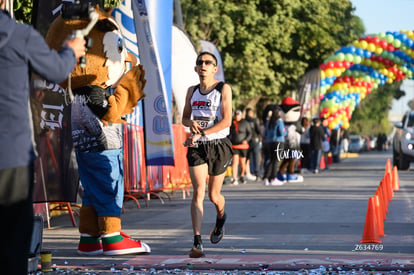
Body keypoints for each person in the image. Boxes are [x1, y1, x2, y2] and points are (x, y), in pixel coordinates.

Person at [0, 2, 86, 274]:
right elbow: (57, 70)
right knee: (13, 240)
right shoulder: (18, 34)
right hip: (10, 154)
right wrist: (71, 52)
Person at [182, 51, 233, 258]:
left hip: (218, 145)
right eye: (200, 62)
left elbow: (226, 120)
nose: (203, 65)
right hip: (197, 146)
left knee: (214, 195)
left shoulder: (223, 89)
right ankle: (197, 241)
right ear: (196, 68)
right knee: (198, 191)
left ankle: (221, 218)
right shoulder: (191, 91)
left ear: (215, 68)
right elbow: (185, 117)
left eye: (208, 62)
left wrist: (202, 131)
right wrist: (190, 123)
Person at [262, 105, 287, 186]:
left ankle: (266, 178)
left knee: (270, 160)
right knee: (276, 161)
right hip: (278, 141)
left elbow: (265, 133)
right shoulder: (279, 121)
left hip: (269, 142)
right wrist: (286, 132)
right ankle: (273, 178)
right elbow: (282, 132)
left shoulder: (268, 121)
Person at [229, 109, 252, 185]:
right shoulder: (231, 123)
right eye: (235, 115)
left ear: (241, 116)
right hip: (234, 145)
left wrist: (246, 140)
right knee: (235, 162)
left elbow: (250, 133)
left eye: (238, 115)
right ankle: (234, 178)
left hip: (243, 146)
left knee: (242, 163)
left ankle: (241, 175)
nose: (237, 117)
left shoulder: (245, 123)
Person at [245, 108, 262, 181]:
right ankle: (257, 174)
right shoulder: (254, 120)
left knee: (246, 158)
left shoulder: (244, 121)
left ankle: (246, 173)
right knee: (256, 158)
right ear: (251, 113)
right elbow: (259, 130)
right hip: (255, 140)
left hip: (246, 141)